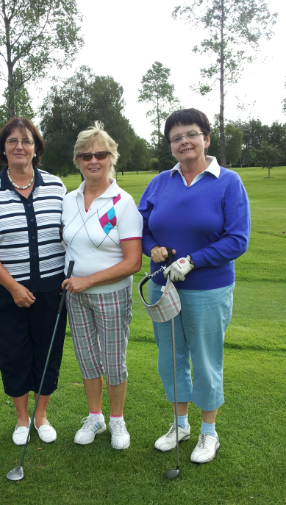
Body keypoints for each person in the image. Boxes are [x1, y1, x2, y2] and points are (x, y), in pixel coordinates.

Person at [138, 108, 250, 464]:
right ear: (170, 145)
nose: (184, 141)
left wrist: (193, 260)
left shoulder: (228, 182)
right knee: (171, 357)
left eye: (191, 134)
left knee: (204, 358)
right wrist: (151, 248)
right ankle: (180, 424)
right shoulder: (160, 182)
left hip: (208, 288)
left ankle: (208, 432)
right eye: (176, 137)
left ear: (206, 138)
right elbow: (141, 227)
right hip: (163, 287)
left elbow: (237, 239)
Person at [0, 118, 67, 446]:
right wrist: (13, 286)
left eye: (26, 141)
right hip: (4, 291)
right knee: (13, 354)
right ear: (3, 148)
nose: (19, 146)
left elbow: (70, 232)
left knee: (47, 352)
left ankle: (41, 416)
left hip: (51, 288)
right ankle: (22, 418)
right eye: (12, 141)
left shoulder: (55, 186)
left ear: (36, 148)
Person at [61, 122, 143, 450]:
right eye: (86, 155)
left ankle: (117, 419)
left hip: (111, 294)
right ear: (77, 160)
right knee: (86, 358)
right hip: (75, 295)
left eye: (100, 154)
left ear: (112, 158)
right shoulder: (69, 199)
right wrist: (76, 281)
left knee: (113, 360)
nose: (93, 160)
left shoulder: (123, 202)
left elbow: (133, 262)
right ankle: (95, 416)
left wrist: (88, 280)